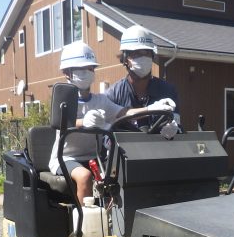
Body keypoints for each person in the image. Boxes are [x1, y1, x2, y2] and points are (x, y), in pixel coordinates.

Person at [49, 41, 172, 204]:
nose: (87, 72)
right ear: (67, 72)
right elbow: (60, 123)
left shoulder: (101, 100)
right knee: (85, 177)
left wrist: (151, 108)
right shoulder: (63, 99)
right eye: (81, 69)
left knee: (119, 172)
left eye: (90, 68)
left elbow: (124, 112)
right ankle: (83, 226)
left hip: (94, 157)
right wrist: (83, 122)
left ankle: (115, 219)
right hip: (65, 158)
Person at [106, 25, 181, 137]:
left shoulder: (167, 91)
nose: (143, 58)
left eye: (146, 53)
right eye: (136, 53)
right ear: (125, 58)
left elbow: (177, 123)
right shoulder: (113, 94)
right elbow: (106, 134)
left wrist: (175, 129)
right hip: (126, 153)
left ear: (152, 56)